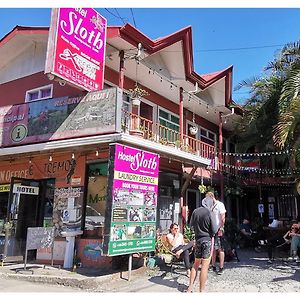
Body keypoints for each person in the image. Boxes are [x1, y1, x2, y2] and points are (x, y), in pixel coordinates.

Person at [187, 206, 218, 293]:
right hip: (207, 240)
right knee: (204, 267)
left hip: (198, 240)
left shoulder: (195, 211)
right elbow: (215, 229)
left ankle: (190, 288)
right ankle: (201, 290)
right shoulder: (209, 212)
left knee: (195, 264)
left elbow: (190, 226)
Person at [202, 191, 226, 275]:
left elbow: (223, 217)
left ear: (212, 197)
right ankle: (213, 265)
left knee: (220, 248)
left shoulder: (220, 205)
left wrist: (221, 228)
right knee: (212, 248)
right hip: (211, 229)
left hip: (218, 229)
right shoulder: (209, 206)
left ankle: (221, 267)